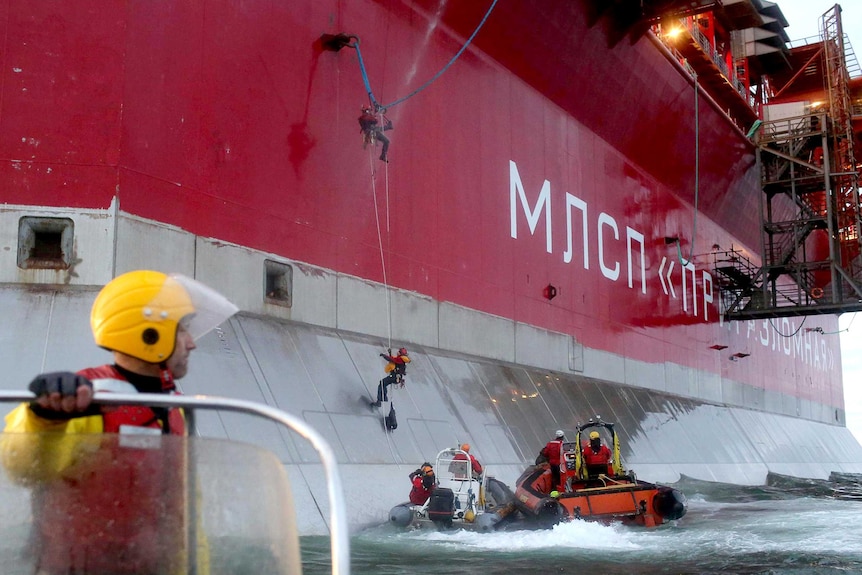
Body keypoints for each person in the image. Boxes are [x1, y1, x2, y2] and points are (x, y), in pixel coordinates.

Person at [0, 270, 238, 575]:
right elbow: (22, 466)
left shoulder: (174, 408)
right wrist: (44, 417)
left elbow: (187, 519)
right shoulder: (83, 401)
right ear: (149, 334)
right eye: (182, 330)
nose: (191, 343)